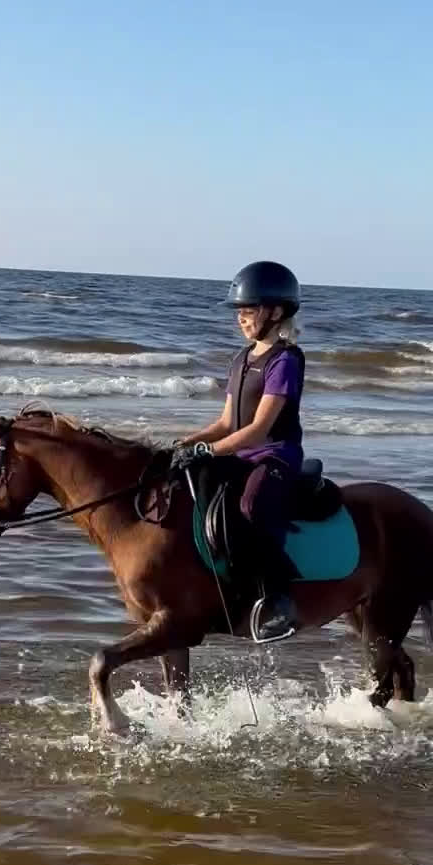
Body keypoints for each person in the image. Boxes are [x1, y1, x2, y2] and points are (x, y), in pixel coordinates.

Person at [171, 261, 305, 643]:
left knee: (251, 505)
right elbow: (227, 424)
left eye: (248, 312)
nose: (241, 320)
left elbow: (258, 430)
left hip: (274, 456)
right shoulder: (241, 360)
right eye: (240, 313)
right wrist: (184, 444)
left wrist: (207, 450)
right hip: (241, 453)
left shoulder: (285, 361)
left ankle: (278, 600)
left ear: (275, 312)